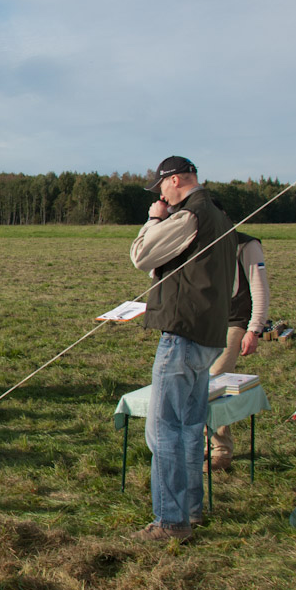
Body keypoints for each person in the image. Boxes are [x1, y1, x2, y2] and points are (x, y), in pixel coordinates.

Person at [129, 156, 235, 542]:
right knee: (190, 429)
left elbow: (141, 256)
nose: (159, 196)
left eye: (160, 189)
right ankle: (190, 511)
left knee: (164, 431)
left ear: (174, 181)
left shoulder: (190, 215)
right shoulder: (221, 217)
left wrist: (155, 219)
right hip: (209, 335)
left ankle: (170, 521)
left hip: (182, 334)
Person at [206, 225, 270, 471]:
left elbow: (260, 289)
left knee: (214, 380)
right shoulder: (198, 241)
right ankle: (204, 444)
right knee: (198, 382)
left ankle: (221, 450)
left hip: (235, 321)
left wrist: (255, 329)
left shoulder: (246, 245)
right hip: (205, 322)